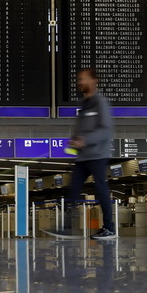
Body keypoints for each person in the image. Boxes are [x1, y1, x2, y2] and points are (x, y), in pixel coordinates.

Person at [65, 68, 116, 240]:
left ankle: (109, 229)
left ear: (94, 81)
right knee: (73, 189)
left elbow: (106, 130)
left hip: (98, 155)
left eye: (83, 79)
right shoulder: (84, 104)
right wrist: (74, 140)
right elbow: (80, 129)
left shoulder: (100, 102)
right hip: (83, 157)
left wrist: (85, 140)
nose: (80, 82)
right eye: (79, 79)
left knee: (101, 189)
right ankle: (66, 228)